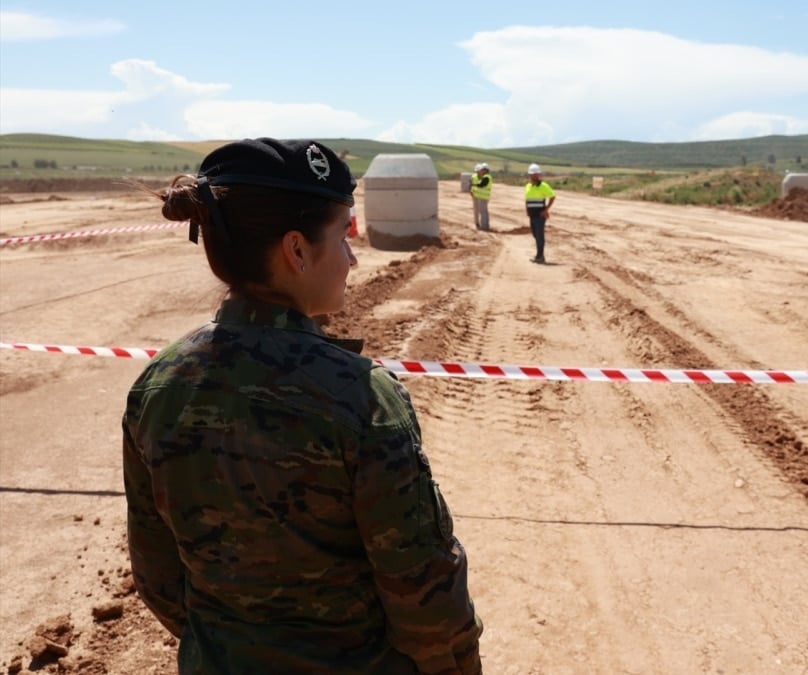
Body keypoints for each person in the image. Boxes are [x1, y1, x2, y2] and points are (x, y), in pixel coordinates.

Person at [122, 137, 483, 674]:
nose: (352, 257)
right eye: (343, 236)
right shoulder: (359, 394)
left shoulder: (157, 386)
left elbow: (158, 577)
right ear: (296, 250)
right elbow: (423, 592)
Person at [523, 163, 556, 263]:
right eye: (532, 174)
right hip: (532, 215)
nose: (534, 176)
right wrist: (527, 210)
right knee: (535, 234)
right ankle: (539, 255)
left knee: (539, 235)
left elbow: (552, 196)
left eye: (536, 174)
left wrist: (546, 209)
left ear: (539, 175)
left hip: (540, 216)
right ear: (529, 175)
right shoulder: (528, 186)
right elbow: (527, 199)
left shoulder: (543, 186)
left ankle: (540, 256)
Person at [469, 163, 492, 231]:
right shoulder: (483, 176)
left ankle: (484, 227)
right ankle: (483, 225)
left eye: (482, 170)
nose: (480, 171)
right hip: (479, 196)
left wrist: (474, 185)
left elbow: (482, 185)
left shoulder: (486, 177)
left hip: (483, 197)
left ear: (485, 170)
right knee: (482, 212)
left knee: (483, 212)